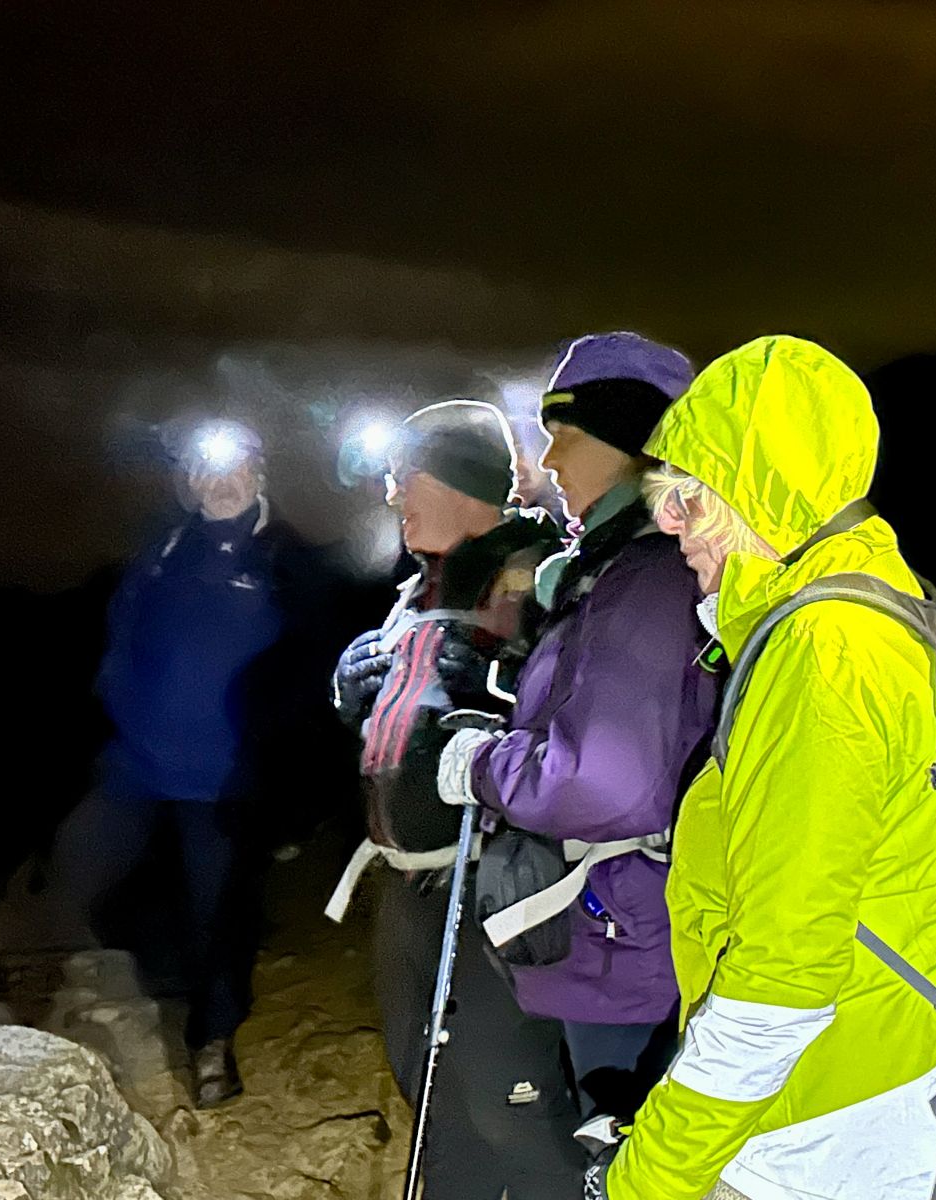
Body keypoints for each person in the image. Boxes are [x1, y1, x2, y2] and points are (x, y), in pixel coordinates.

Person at [592, 335, 936, 1199]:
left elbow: (780, 981)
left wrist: (648, 1179)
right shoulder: (881, 606)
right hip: (883, 1080)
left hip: (830, 1132)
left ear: (762, 495)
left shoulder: (822, 654)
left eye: (689, 498)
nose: (668, 524)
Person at [436, 333, 718, 1131]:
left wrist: (482, 766)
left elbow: (603, 781)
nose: (549, 459)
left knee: (617, 1152)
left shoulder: (648, 580)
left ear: (633, 448)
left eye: (568, 435)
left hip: (629, 948)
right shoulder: (615, 568)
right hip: (619, 931)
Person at [328, 397, 573, 1200]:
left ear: (461, 482)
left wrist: (500, 688)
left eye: (406, 476)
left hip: (493, 886)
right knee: (430, 1098)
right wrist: (354, 692)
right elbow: (404, 728)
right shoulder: (417, 591)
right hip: (407, 889)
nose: (391, 494)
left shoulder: (539, 578)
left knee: (514, 1113)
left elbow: (584, 737)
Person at [38, 420, 288, 1107]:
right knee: (75, 865)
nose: (221, 483)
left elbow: (306, 668)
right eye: (206, 471)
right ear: (190, 482)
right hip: (137, 765)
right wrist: (118, 706)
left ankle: (212, 1042)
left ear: (258, 475)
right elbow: (120, 636)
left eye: (235, 468)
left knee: (217, 916)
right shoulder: (164, 552)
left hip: (224, 780)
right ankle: (76, 1004)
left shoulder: (284, 559)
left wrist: (278, 770)